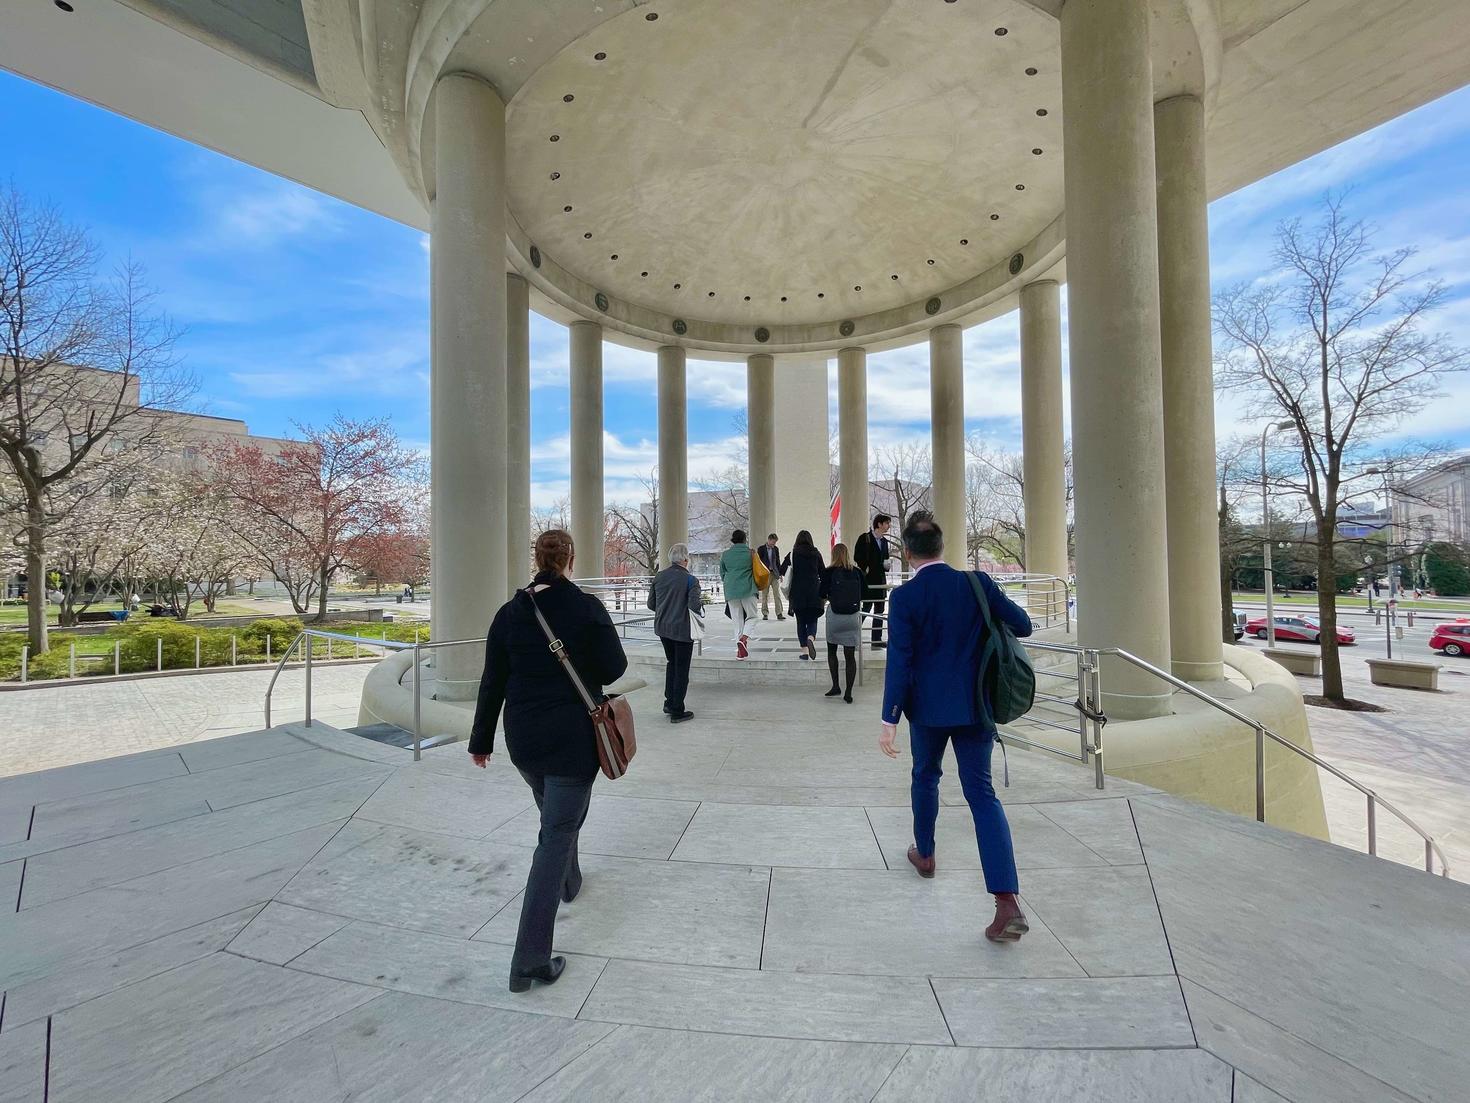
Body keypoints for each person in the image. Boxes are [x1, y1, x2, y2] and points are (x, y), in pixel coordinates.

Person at [469, 529, 628, 992]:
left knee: (556, 816)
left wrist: (481, 741)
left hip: (524, 741)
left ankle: (569, 880)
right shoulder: (585, 607)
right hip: (573, 741)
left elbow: (491, 681)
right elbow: (613, 668)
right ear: (571, 560)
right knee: (555, 834)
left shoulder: (510, 613)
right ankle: (529, 960)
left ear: (536, 559)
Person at [878, 512, 1035, 943]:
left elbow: (900, 662)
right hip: (975, 707)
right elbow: (1023, 624)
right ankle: (1006, 901)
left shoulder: (905, 598)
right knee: (982, 794)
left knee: (925, 777)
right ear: (943, 547)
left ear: (907, 553)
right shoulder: (977, 583)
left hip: (926, 711)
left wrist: (890, 718)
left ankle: (925, 854)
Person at [647, 542, 700, 723]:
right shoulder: (691, 581)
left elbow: (651, 604)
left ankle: (669, 702)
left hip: (663, 628)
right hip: (683, 630)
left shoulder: (659, 577)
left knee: (672, 663)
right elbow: (694, 606)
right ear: (685, 560)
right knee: (682, 668)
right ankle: (678, 709)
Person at [822, 542, 864, 702]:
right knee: (850, 656)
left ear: (834, 555)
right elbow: (865, 592)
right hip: (852, 617)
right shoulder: (857, 572)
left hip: (835, 616)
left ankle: (835, 686)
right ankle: (848, 692)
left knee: (832, 651)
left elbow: (821, 592)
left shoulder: (828, 572)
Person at [783, 530, 825, 661]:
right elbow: (823, 573)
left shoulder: (793, 554)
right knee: (812, 619)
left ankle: (805, 652)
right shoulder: (816, 554)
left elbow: (782, 569)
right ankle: (811, 638)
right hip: (814, 592)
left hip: (798, 593)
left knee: (801, 622)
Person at [854, 513, 894, 648]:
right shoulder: (865, 538)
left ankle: (876, 639)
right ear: (879, 524)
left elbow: (885, 558)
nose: (888, 526)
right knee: (866, 607)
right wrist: (866, 567)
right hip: (868, 580)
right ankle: (853, 634)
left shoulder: (884, 542)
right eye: (887, 523)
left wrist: (886, 565)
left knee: (880, 609)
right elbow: (857, 556)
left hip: (881, 580)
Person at [718, 528, 760, 659]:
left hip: (731, 590)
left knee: (737, 621)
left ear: (733, 540)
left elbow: (722, 573)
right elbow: (757, 570)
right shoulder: (751, 553)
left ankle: (740, 652)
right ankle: (744, 638)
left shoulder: (725, 555)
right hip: (748, 588)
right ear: (744, 539)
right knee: (752, 617)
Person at [758, 533, 786, 621]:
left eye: (775, 543)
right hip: (765, 574)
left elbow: (778, 561)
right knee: (765, 594)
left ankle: (779, 613)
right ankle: (765, 614)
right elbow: (758, 562)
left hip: (774, 573)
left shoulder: (776, 549)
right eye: (773, 542)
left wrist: (780, 574)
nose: (774, 544)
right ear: (769, 540)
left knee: (776, 594)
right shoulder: (761, 549)